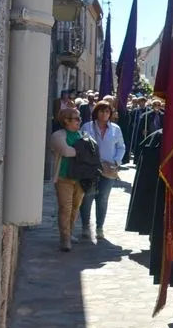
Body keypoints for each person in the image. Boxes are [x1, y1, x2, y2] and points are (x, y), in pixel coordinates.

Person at [79, 101, 126, 241]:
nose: (104, 114)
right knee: (87, 196)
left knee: (103, 198)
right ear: (96, 112)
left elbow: (121, 147)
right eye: (101, 111)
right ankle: (86, 226)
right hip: (91, 168)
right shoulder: (87, 127)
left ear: (110, 114)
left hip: (109, 169)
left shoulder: (115, 129)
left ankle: (100, 228)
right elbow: (83, 146)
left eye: (107, 111)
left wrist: (116, 161)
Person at [49, 108, 85, 251]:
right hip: (64, 178)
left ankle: (69, 233)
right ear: (66, 120)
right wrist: (83, 151)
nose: (79, 121)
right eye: (76, 118)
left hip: (80, 178)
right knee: (65, 208)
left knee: (75, 208)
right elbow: (66, 151)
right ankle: (65, 239)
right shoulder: (57, 135)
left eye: (79, 118)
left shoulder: (82, 134)